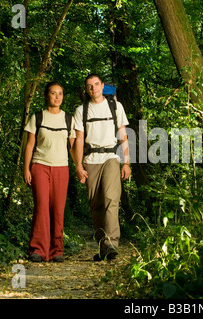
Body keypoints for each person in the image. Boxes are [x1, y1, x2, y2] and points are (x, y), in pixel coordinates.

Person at [73, 74, 131, 261]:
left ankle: (111, 243)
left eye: (96, 84)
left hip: (111, 158)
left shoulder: (115, 106)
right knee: (95, 204)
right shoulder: (81, 111)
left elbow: (123, 135)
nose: (93, 88)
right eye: (89, 86)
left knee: (111, 198)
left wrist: (127, 162)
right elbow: (79, 139)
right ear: (86, 89)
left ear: (102, 86)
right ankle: (102, 247)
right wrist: (78, 164)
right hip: (90, 160)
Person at [23, 81, 76, 262]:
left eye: (60, 93)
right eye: (53, 93)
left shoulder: (69, 119)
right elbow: (29, 146)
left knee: (58, 209)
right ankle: (38, 249)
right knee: (41, 207)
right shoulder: (38, 117)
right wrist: (26, 169)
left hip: (62, 168)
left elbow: (73, 148)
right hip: (40, 166)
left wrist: (80, 168)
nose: (57, 97)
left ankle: (56, 250)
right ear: (47, 95)